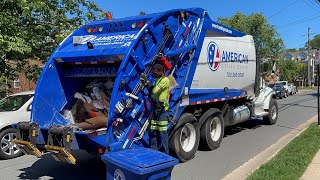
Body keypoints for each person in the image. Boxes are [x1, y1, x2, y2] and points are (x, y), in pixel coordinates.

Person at [144, 63, 170, 154]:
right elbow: (152, 92)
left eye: (155, 73)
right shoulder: (157, 80)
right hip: (155, 109)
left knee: (163, 133)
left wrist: (149, 85)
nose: (153, 75)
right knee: (153, 131)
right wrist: (147, 83)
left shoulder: (165, 80)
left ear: (160, 71)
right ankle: (154, 151)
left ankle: (166, 153)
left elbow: (154, 90)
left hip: (162, 111)